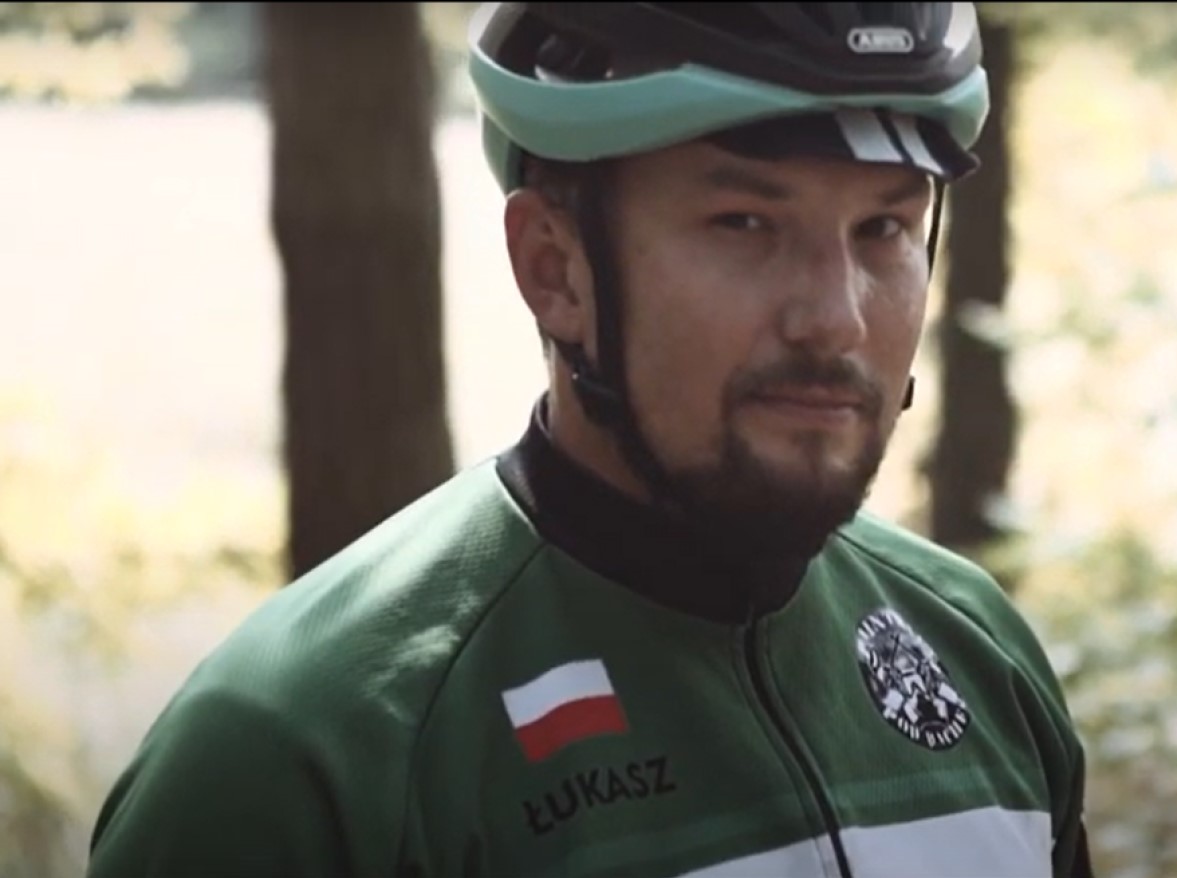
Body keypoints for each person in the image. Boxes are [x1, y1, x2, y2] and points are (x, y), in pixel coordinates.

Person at [86, 3, 1095, 876]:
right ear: (554, 269)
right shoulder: (303, 753)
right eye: (745, 223)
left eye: (884, 229)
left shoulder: (976, 651)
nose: (835, 319)